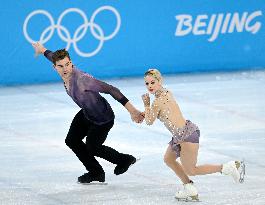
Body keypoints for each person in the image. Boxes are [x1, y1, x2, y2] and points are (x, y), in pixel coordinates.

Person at [31, 42, 144, 184]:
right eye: (61, 66)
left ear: (71, 63)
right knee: (72, 140)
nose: (65, 68)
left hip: (103, 119)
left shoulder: (83, 80)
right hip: (86, 113)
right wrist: (42, 50)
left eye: (67, 64)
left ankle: (125, 159)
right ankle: (96, 173)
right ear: (55, 67)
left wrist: (132, 110)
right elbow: (52, 56)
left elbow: (111, 89)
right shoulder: (59, 64)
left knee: (93, 148)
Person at [141, 68, 245, 201]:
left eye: (152, 82)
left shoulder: (156, 102)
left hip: (187, 136)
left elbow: (150, 121)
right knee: (168, 159)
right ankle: (189, 187)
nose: (149, 86)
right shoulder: (166, 92)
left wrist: (146, 104)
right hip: (180, 135)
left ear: (160, 81)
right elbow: (158, 114)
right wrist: (147, 111)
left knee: (191, 170)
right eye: (147, 83)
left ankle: (227, 167)